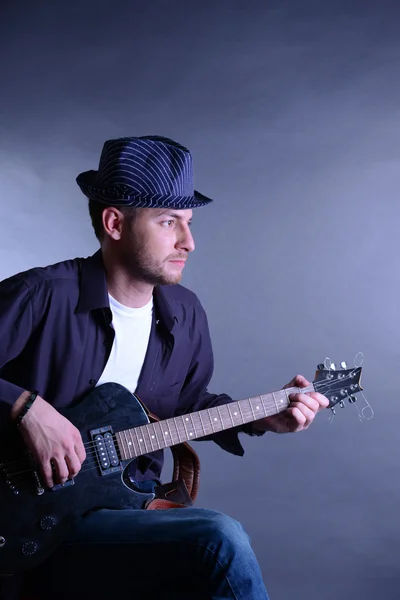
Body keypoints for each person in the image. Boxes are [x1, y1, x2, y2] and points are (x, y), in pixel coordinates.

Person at [0, 136, 329, 600]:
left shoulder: (185, 312)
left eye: (189, 223)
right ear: (115, 222)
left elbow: (188, 404)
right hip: (25, 523)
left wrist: (263, 417)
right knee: (219, 539)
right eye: (168, 221)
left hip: (121, 514)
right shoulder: (43, 294)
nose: (188, 242)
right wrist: (25, 407)